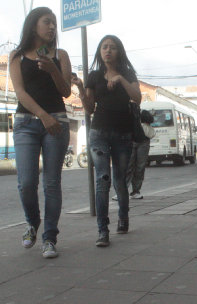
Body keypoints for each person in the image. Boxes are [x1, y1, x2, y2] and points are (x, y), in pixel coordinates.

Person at [9, 7, 72, 258]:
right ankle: (32, 222)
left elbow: (66, 91)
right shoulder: (17, 56)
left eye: (55, 24)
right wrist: (42, 116)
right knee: (26, 183)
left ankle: (49, 238)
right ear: (34, 25)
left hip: (57, 122)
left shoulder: (61, 55)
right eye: (47, 22)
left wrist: (53, 69)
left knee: (52, 183)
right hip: (26, 122)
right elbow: (20, 92)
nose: (52, 27)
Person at [72, 35, 142, 247]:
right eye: (104, 47)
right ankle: (103, 230)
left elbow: (137, 97)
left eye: (112, 47)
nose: (108, 50)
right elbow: (89, 108)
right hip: (99, 132)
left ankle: (123, 216)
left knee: (120, 180)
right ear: (100, 51)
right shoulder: (94, 76)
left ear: (119, 51)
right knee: (103, 180)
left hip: (123, 134)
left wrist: (120, 80)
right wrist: (81, 88)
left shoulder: (128, 73)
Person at [126, 109, 155, 199]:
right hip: (142, 143)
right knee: (139, 167)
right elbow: (151, 134)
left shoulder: (135, 119)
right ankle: (134, 191)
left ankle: (124, 190)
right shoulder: (148, 127)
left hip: (134, 142)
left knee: (130, 167)